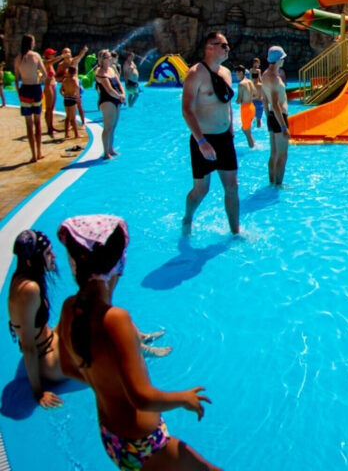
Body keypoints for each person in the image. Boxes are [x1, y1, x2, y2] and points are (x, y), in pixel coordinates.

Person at [55, 215, 220, 471]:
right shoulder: (115, 320)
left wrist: (106, 384)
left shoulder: (70, 308)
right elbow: (142, 398)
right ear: (118, 264)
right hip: (143, 443)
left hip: (113, 438)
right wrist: (183, 398)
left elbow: (67, 367)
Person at [182, 32, 240, 236]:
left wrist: (230, 129)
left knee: (232, 186)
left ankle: (235, 232)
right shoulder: (195, 74)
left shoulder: (226, 72)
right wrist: (201, 141)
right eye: (223, 45)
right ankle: (187, 218)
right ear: (210, 47)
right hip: (204, 140)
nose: (227, 48)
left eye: (227, 45)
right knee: (201, 190)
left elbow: (226, 102)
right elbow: (187, 110)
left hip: (224, 138)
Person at [8, 230, 66, 408]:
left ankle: (137, 341)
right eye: (48, 253)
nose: (54, 256)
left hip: (48, 341)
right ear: (30, 261)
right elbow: (28, 346)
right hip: (47, 359)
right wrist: (38, 392)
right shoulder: (29, 289)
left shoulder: (22, 277)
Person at [16, 35, 48, 161]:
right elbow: (45, 74)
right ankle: (39, 152)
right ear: (31, 43)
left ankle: (33, 155)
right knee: (37, 122)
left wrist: (19, 94)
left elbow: (16, 79)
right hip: (35, 89)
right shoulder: (36, 56)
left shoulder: (18, 58)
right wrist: (39, 79)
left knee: (28, 124)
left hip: (24, 90)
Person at [262, 46, 290, 187]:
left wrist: (268, 114)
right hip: (280, 117)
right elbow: (276, 103)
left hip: (272, 116)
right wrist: (284, 127)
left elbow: (264, 98)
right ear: (278, 60)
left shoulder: (265, 75)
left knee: (273, 153)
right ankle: (278, 184)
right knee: (282, 155)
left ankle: (271, 182)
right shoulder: (275, 79)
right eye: (282, 58)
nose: (284, 61)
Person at [94, 50, 126, 160]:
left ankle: (111, 149)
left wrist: (123, 94)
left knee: (113, 126)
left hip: (117, 98)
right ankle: (106, 152)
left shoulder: (112, 69)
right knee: (108, 127)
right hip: (107, 100)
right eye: (108, 57)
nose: (110, 59)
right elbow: (109, 89)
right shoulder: (100, 72)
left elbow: (119, 84)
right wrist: (120, 96)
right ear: (102, 60)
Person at [234, 66, 256, 148]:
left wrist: (236, 101)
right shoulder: (250, 81)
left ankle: (253, 148)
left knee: (247, 131)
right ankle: (254, 144)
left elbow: (239, 99)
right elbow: (255, 94)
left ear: (241, 73)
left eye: (237, 73)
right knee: (245, 129)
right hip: (252, 107)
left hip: (245, 108)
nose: (236, 75)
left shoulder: (241, 84)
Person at [60, 65, 83, 142]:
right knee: (73, 118)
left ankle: (66, 133)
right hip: (72, 98)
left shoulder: (65, 80)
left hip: (66, 98)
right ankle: (76, 134)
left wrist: (64, 95)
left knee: (67, 117)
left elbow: (60, 90)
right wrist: (78, 97)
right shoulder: (74, 79)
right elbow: (77, 87)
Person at [42, 47, 58, 139]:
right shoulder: (46, 63)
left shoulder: (50, 64)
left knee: (51, 108)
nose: (54, 55)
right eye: (53, 54)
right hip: (48, 87)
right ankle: (49, 128)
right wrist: (62, 56)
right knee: (48, 108)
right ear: (48, 55)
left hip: (52, 86)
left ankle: (51, 126)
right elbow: (53, 61)